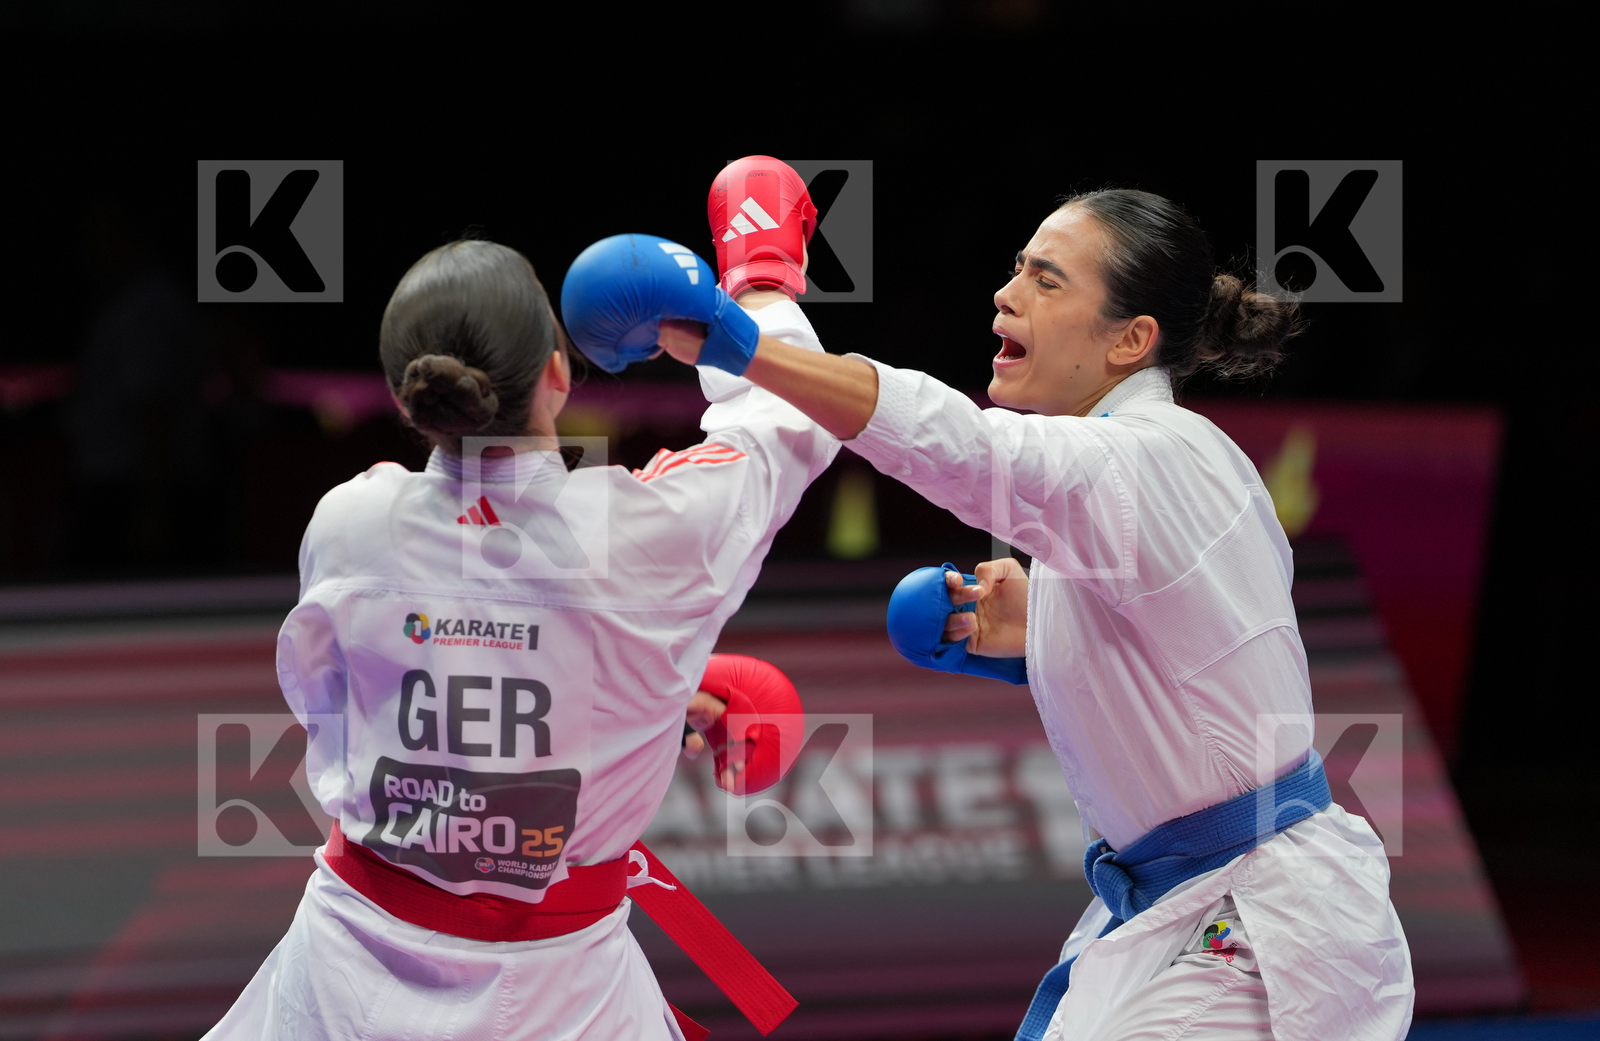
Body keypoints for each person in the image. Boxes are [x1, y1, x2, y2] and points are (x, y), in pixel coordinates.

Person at [568, 184, 1413, 1040]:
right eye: (1018, 269)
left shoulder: (1151, 459)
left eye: (1048, 282)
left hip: (1259, 921)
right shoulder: (1155, 468)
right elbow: (1203, 651)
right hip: (1195, 907)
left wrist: (742, 339)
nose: (1007, 294)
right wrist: (1040, 631)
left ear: (1130, 339)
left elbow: (961, 448)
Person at [203, 225, 837, 1039]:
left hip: (342, 977)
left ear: (406, 397)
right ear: (558, 373)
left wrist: (621, 700)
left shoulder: (350, 520)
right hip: (569, 997)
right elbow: (793, 420)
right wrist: (760, 280)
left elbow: (328, 700)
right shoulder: (653, 534)